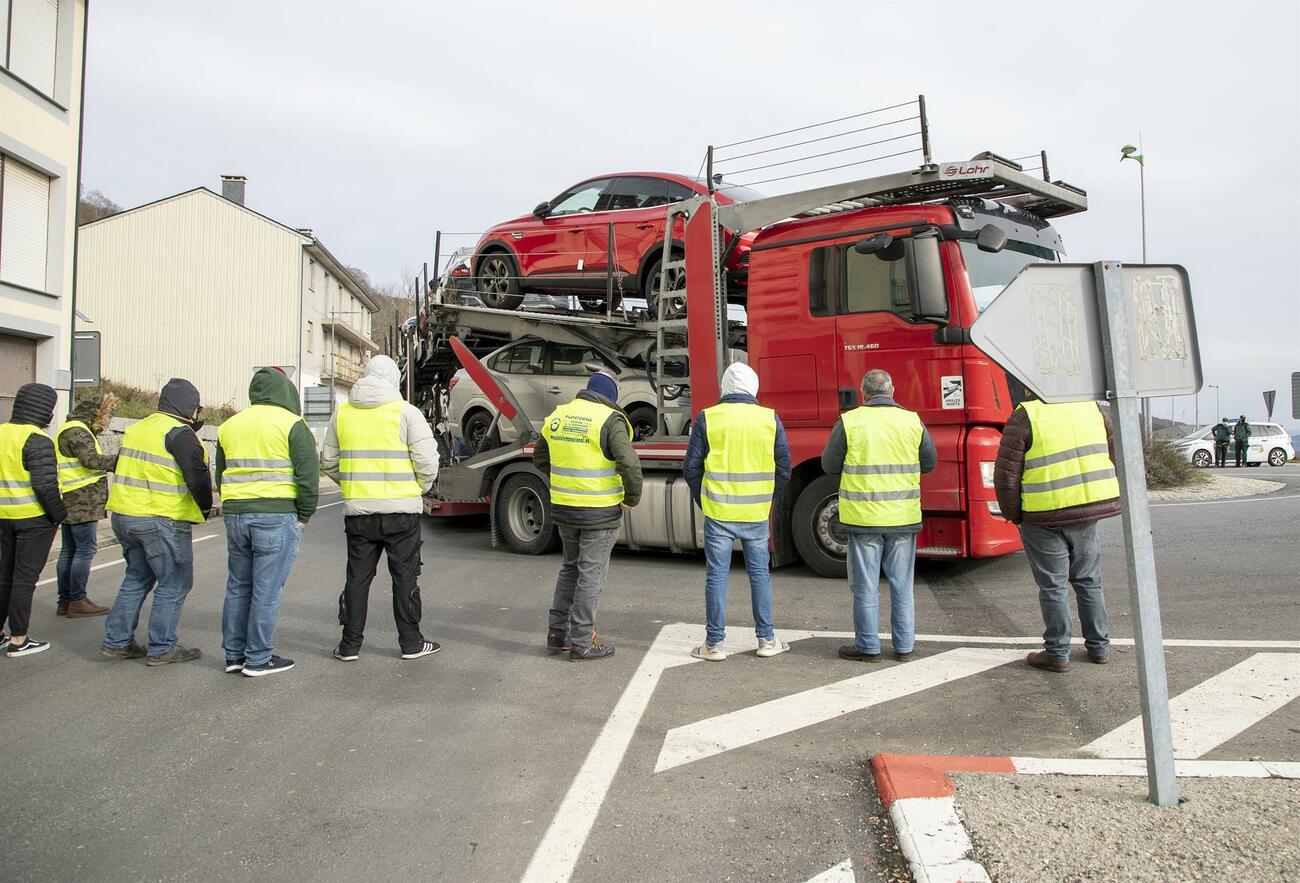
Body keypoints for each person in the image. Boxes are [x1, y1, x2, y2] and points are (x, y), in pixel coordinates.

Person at [321, 355, 440, 662]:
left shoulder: (343, 413)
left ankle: (349, 646)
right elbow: (427, 461)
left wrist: (353, 485)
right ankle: (411, 643)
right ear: (394, 380)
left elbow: (329, 462)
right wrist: (419, 489)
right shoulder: (407, 413)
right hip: (402, 513)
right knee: (405, 578)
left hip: (359, 514)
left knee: (357, 579)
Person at [993, 394, 1120, 672]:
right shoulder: (1093, 409)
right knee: (1089, 580)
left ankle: (1057, 652)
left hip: (1042, 514)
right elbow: (1115, 454)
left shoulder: (1026, 415)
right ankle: (1099, 647)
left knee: (1053, 585)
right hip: (1086, 510)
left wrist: (1014, 515)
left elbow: (1006, 474)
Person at [823, 369, 936, 663]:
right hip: (902, 517)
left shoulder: (850, 422)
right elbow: (930, 462)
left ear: (864, 392)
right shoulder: (912, 421)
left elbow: (829, 465)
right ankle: (904, 647)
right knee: (901, 584)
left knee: (866, 585)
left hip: (863, 520)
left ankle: (868, 646)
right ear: (892, 390)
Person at [682, 362, 791, 661]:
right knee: (759, 576)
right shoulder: (769, 418)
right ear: (753, 387)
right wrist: (768, 499)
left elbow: (691, 468)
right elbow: (784, 468)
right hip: (755, 513)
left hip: (719, 511)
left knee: (716, 577)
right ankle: (767, 640)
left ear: (725, 387)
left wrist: (703, 499)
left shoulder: (709, 417)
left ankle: (713, 644)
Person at [101, 379, 213, 666]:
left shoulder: (138, 429)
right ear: (190, 407)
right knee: (174, 582)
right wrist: (204, 508)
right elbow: (198, 477)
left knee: (137, 577)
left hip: (125, 515)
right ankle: (162, 646)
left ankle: (117, 641)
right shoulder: (180, 433)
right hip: (161, 518)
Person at [215, 368, 319, 677]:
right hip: (276, 515)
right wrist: (303, 516)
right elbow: (307, 478)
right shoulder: (292, 424)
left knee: (237, 586)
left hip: (235, 514)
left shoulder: (229, 426)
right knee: (267, 590)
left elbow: (220, 472)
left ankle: (234, 655)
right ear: (286, 392)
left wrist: (234, 503)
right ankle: (258, 657)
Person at [535, 369, 642, 661]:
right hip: (599, 512)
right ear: (611, 396)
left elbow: (541, 458)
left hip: (565, 508)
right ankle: (582, 641)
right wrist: (631, 498)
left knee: (570, 568)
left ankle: (557, 633)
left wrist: (566, 484)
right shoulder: (610, 419)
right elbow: (630, 464)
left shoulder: (559, 415)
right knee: (590, 575)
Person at [0, 383, 68, 657]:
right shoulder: (37, 439)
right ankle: (19, 639)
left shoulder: (2, 432)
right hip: (33, 519)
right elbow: (45, 487)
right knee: (24, 580)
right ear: (45, 411)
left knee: (4, 576)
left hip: (3, 516)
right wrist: (58, 515)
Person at [54, 392, 119, 617]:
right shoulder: (77, 431)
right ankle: (77, 600)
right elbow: (91, 460)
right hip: (82, 499)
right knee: (84, 550)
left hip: (71, 497)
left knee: (69, 550)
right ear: (95, 412)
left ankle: (65, 600)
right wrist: (120, 460)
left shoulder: (69, 428)